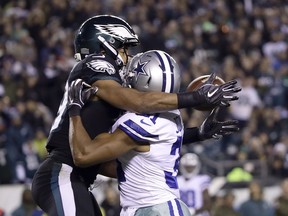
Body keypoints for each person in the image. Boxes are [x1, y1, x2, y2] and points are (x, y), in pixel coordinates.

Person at [31, 15, 241, 216]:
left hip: (79, 177)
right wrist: (194, 97)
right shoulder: (94, 64)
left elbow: (146, 139)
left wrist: (196, 134)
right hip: (62, 173)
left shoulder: (122, 97)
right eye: (123, 47)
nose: (127, 55)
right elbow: (138, 102)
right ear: (105, 44)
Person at [67, 49, 240, 216]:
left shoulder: (140, 122)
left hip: (156, 208)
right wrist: (197, 134)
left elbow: (83, 155)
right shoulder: (171, 113)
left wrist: (74, 110)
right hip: (147, 207)